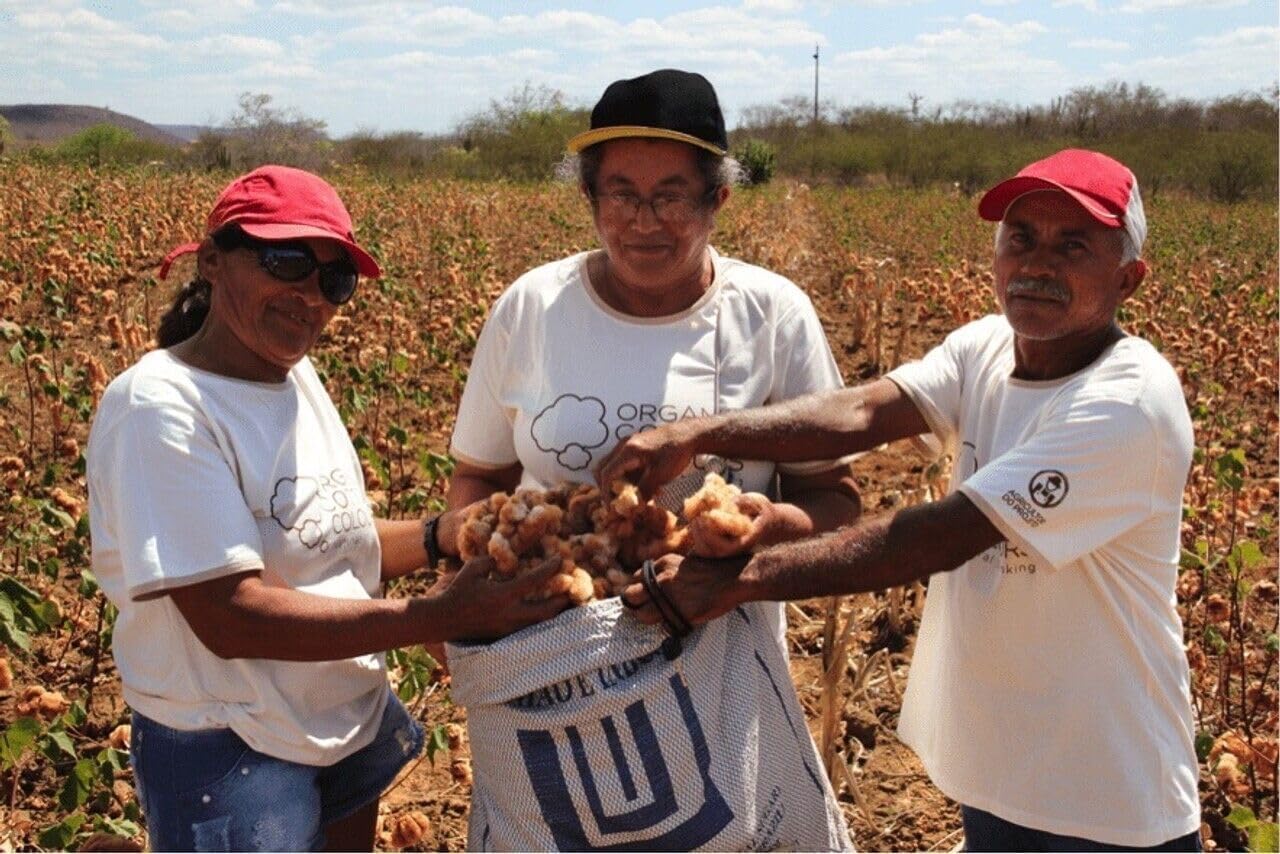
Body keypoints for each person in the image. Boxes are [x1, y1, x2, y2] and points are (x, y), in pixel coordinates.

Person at [599, 149, 1202, 852]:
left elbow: (941, 535)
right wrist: (698, 433)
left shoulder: (1127, 402)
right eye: (1021, 238)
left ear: (1129, 278)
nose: (1038, 264)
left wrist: (739, 581)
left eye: (1074, 246)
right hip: (999, 766)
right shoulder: (988, 347)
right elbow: (861, 412)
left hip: (1106, 792)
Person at [87, 165, 567, 852]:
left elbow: (323, 539)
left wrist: (439, 535)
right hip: (235, 744)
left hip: (339, 716)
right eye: (287, 262)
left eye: (333, 280)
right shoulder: (158, 407)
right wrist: (435, 617)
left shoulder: (293, 376)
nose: (310, 296)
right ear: (213, 259)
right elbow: (229, 615)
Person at [446, 68, 862, 645]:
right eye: (621, 195)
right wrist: (456, 600)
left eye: (670, 197)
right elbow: (479, 475)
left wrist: (767, 530)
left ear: (717, 199)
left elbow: (835, 497)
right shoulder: (533, 307)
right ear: (589, 196)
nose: (643, 222)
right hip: (544, 646)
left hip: (720, 643)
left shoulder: (772, 315)